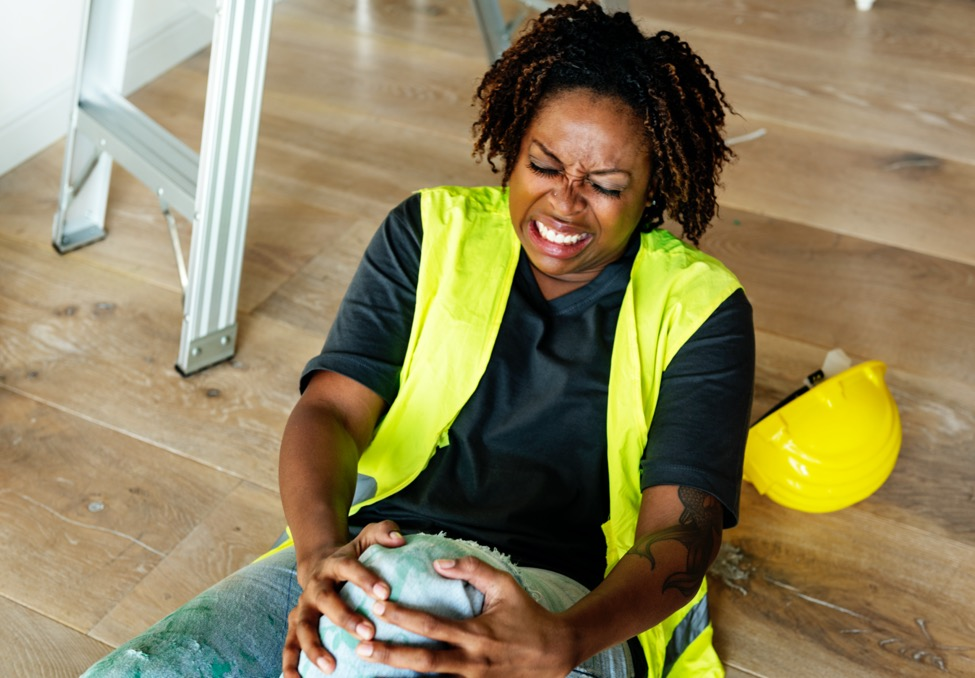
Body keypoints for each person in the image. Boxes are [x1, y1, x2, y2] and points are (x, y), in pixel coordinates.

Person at [81, 1, 753, 676]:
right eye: (543, 166)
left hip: (567, 603)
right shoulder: (428, 233)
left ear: (652, 192)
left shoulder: (700, 307)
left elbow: (681, 527)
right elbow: (330, 412)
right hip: (373, 549)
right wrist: (320, 559)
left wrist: (566, 639)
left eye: (605, 186)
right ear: (510, 147)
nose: (564, 202)